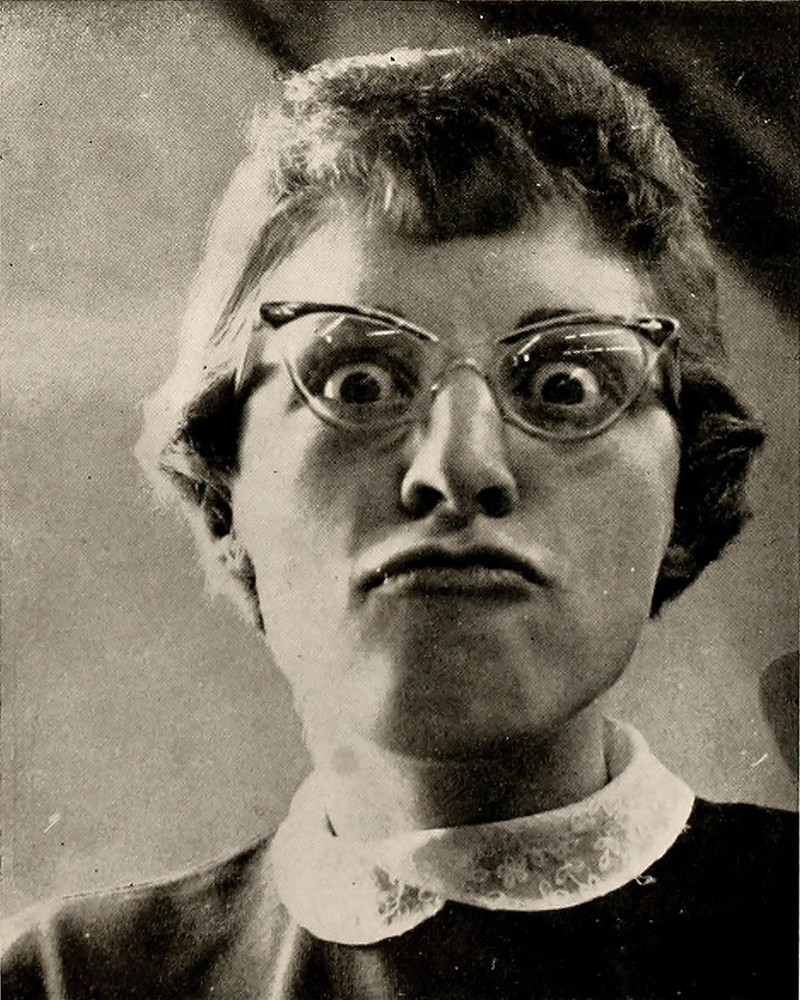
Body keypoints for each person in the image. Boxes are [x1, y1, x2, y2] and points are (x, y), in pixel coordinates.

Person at [2, 33, 795, 1000]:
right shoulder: (66, 980)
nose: (458, 469)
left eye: (566, 384)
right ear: (225, 482)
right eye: (359, 380)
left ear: (685, 486)